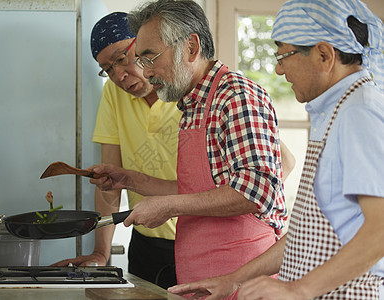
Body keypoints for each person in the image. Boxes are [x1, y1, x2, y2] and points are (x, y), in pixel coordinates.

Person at [168, 0, 384, 299]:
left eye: (284, 55)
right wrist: (233, 279)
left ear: (324, 54)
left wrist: (299, 289)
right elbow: (307, 233)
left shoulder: (359, 112)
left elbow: (380, 232)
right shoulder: (337, 111)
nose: (279, 69)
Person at [88, 0, 291, 288]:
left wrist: (168, 207)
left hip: (241, 280)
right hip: (201, 277)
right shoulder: (192, 106)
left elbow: (258, 190)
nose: (145, 72)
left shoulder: (235, 96)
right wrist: (131, 180)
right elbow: (199, 192)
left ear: (191, 48)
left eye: (149, 57)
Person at [52, 12, 182, 288]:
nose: (119, 75)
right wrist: (101, 252)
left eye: (122, 58)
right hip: (145, 244)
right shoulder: (114, 94)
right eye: (107, 69)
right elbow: (109, 184)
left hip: (199, 241)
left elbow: (279, 164)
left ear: (145, 45)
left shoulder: (187, 86)